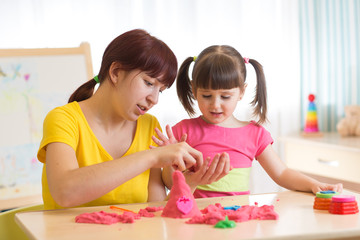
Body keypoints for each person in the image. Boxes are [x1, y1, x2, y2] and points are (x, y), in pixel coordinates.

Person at [37, 29, 228, 210]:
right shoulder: (63, 119)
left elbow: (155, 211)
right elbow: (65, 192)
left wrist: (189, 183)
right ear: (116, 73)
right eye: (148, 83)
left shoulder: (149, 126)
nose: (154, 99)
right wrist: (152, 157)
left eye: (160, 90)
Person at [154, 45, 343, 198]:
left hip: (238, 221)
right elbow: (170, 184)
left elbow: (282, 174)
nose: (215, 105)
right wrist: (172, 161)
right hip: (194, 222)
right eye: (206, 95)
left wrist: (313, 184)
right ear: (194, 90)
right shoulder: (182, 132)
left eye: (225, 96)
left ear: (241, 92)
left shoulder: (255, 134)